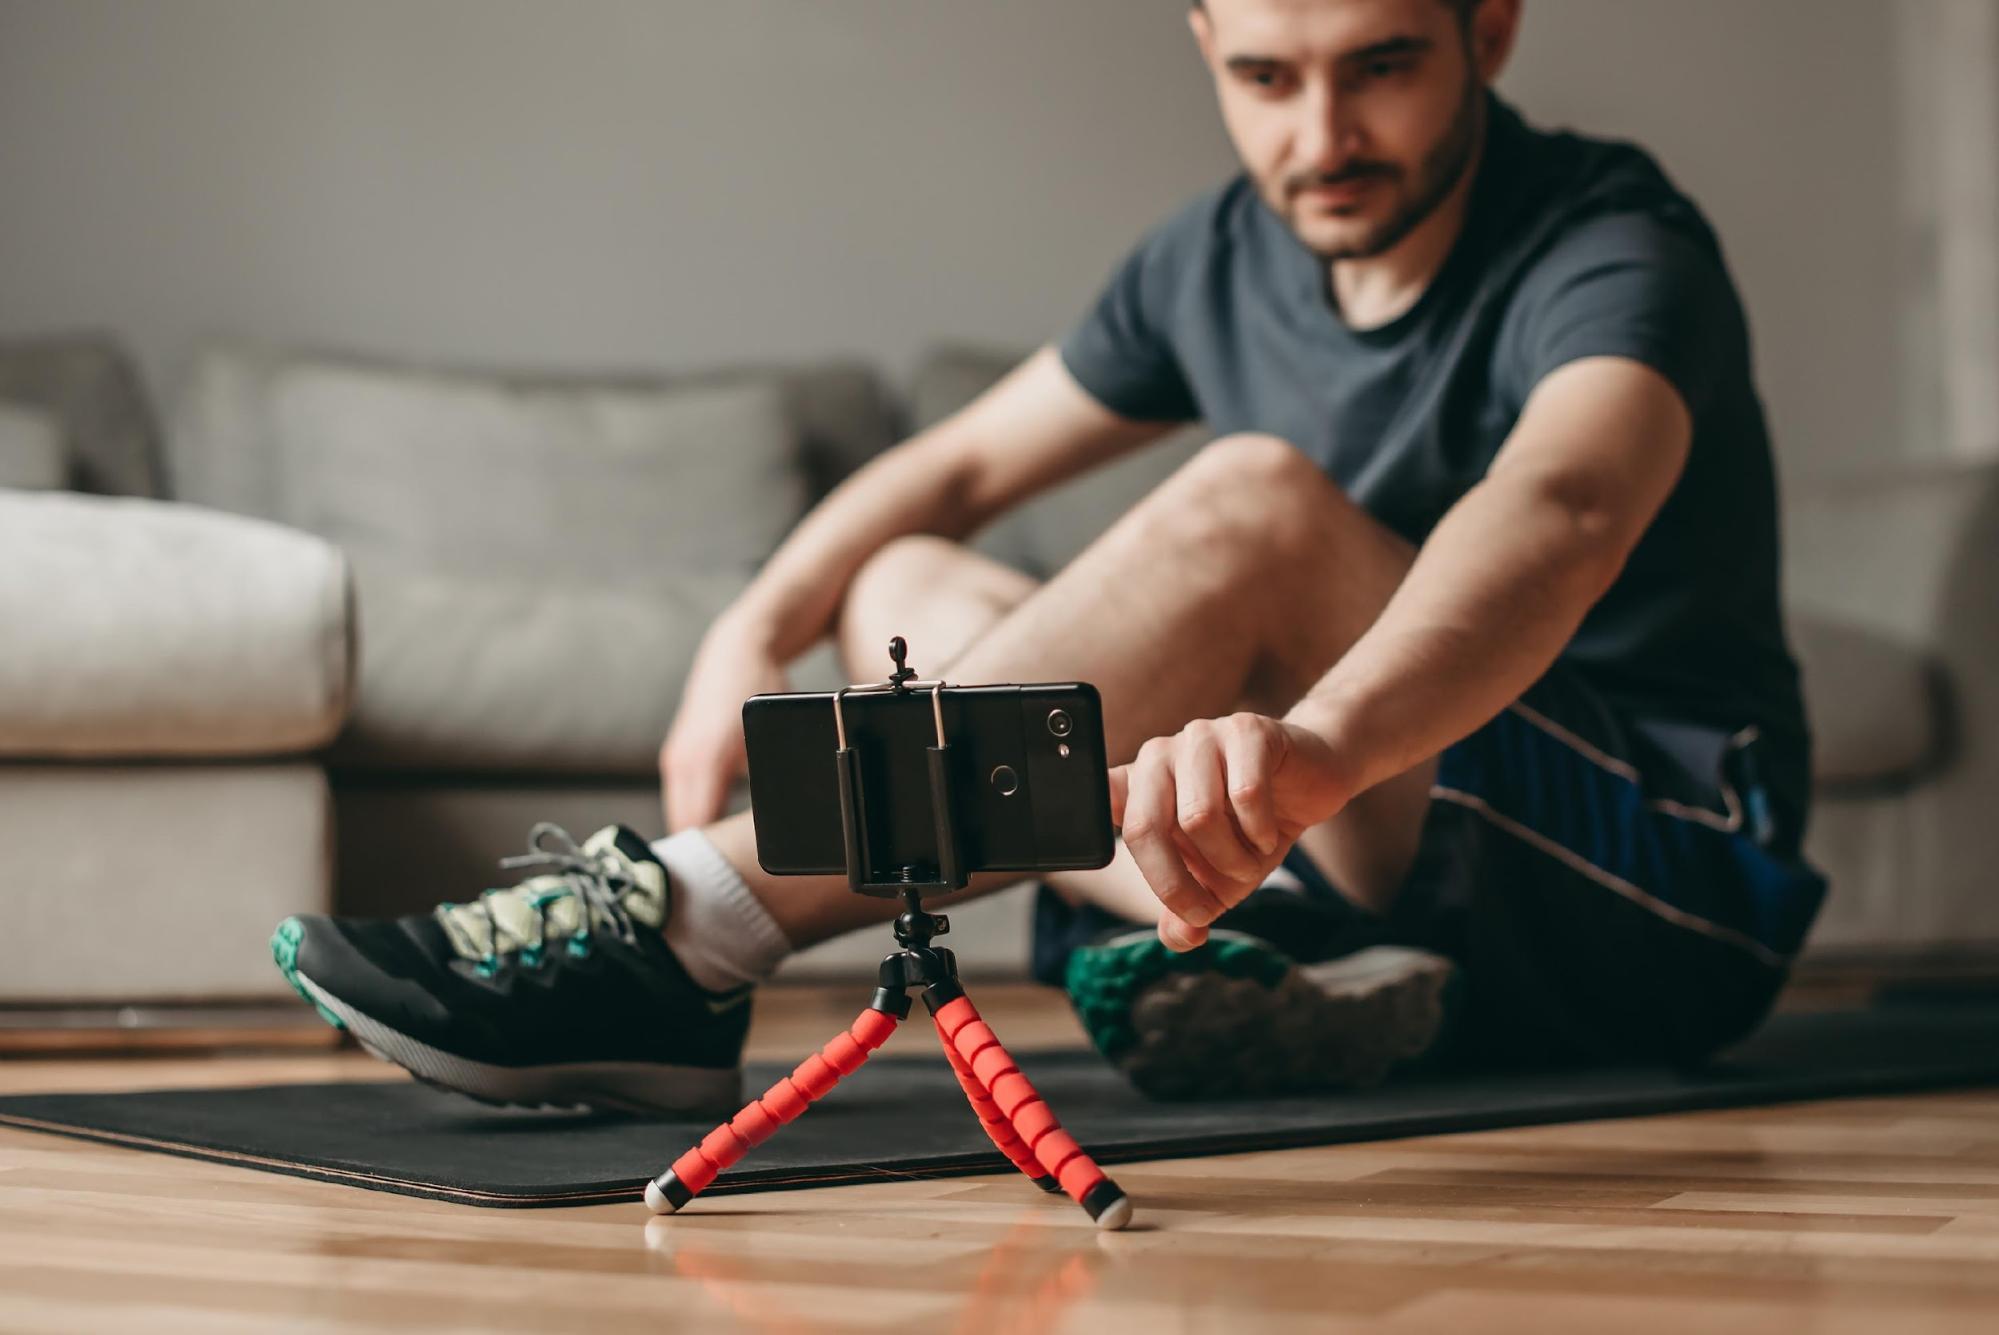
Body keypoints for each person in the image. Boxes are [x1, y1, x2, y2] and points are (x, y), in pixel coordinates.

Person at [272, 0, 1828, 1111]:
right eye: (1268, 75)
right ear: (1204, 43)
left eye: (1382, 66)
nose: (1323, 136)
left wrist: (1317, 752)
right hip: (1381, 861)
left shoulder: (1616, 244)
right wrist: (749, 630)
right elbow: (954, 467)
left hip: (1661, 883)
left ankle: (695, 923)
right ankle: (1280, 946)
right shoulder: (1215, 255)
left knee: (1257, 506)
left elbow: (1561, 511)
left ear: (1489, 29)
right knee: (901, 585)